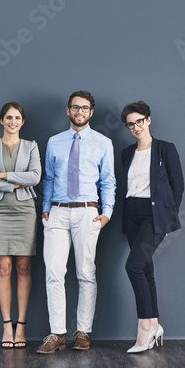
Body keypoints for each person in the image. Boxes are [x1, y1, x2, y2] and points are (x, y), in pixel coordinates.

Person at [37, 90, 116, 354]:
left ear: (91, 112)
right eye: (75, 107)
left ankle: (83, 331)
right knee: (53, 273)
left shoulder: (103, 143)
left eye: (84, 108)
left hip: (87, 212)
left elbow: (108, 181)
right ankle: (57, 333)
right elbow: (48, 178)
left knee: (85, 273)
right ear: (68, 110)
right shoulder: (54, 141)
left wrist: (107, 213)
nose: (79, 111)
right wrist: (46, 209)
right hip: (57, 212)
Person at [120, 101, 184, 353]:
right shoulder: (127, 153)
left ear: (148, 120)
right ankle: (156, 324)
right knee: (145, 270)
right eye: (130, 124)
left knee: (132, 266)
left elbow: (178, 185)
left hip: (154, 214)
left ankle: (144, 328)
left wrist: (168, 218)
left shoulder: (165, 149)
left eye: (139, 121)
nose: (135, 127)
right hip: (131, 213)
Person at [0, 102, 41, 349]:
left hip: (25, 211)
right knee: (4, 268)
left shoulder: (31, 146)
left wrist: (3, 176)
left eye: (17, 117)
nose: (12, 121)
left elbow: (35, 176)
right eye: (8, 117)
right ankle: (7, 325)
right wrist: (17, 181)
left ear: (22, 121)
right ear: (1, 120)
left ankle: (22, 325)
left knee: (24, 267)